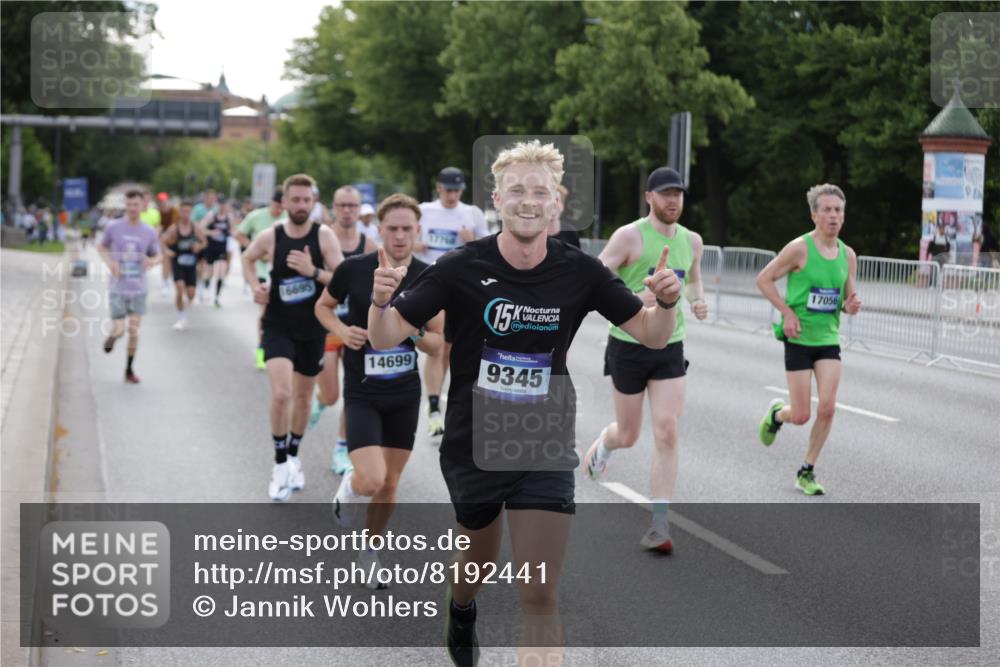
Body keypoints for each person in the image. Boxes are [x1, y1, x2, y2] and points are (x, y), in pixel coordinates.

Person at [367, 140, 681, 666]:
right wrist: (380, 302)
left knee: (539, 592)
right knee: (477, 565)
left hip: (543, 438)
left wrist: (667, 302)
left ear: (556, 202)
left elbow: (651, 333)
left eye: (540, 191)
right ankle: (461, 609)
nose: (528, 201)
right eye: (516, 190)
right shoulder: (460, 266)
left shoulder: (580, 271)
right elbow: (383, 336)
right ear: (497, 199)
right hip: (474, 439)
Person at [316, 193, 443, 582]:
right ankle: (349, 491)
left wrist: (409, 332)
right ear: (379, 229)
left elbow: (438, 344)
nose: (400, 235)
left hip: (404, 394)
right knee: (370, 479)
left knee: (389, 484)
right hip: (363, 391)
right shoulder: (355, 269)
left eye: (407, 228)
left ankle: (369, 552)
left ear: (418, 230)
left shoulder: (431, 277)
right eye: (392, 228)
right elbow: (323, 307)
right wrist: (342, 331)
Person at [584, 167, 708, 553]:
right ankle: (605, 445)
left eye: (678, 194)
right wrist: (638, 298)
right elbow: (595, 280)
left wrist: (697, 300)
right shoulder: (629, 236)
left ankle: (659, 524)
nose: (673, 200)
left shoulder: (692, 240)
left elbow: (693, 279)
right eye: (665, 193)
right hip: (629, 343)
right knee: (629, 434)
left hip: (670, 344)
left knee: (667, 429)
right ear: (649, 197)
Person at [241, 174, 344, 501]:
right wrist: (255, 287)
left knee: (302, 398)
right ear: (284, 201)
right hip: (277, 325)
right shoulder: (271, 235)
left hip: (313, 328)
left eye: (306, 200)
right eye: (295, 199)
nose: (301, 205)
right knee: (282, 393)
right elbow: (247, 257)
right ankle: (279, 463)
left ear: (313, 202)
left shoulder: (324, 236)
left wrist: (312, 272)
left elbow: (342, 280)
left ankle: (294, 455)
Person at [756, 183, 862, 496]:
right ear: (814, 215)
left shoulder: (848, 255)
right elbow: (764, 279)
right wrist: (787, 313)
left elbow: (847, 300)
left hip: (828, 339)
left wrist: (851, 305)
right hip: (799, 339)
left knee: (827, 408)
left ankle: (807, 470)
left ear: (844, 216)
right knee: (801, 415)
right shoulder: (799, 248)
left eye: (838, 210)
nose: (833, 215)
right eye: (827, 210)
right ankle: (778, 414)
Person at [416, 167, 491, 443]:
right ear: (438, 188)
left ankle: (454, 405)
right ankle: (434, 406)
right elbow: (403, 239)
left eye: (457, 190)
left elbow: (490, 248)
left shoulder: (472, 213)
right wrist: (416, 245)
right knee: (438, 348)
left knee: (454, 350)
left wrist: (472, 241)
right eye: (448, 190)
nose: (452, 195)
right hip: (433, 285)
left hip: (463, 287)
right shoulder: (424, 210)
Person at [309, 186, 379, 474]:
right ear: (333, 208)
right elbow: (321, 281)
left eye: (352, 205)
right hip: (327, 326)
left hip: (356, 328)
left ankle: (341, 449)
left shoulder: (369, 245)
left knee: (353, 393)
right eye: (342, 205)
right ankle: (318, 401)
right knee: (331, 395)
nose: (347, 211)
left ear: (359, 208)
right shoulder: (321, 239)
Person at [97, 190, 162, 384]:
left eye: (136, 205)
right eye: (129, 205)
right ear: (125, 206)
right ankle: (113, 337)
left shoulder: (148, 231)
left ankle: (129, 369)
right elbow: (101, 247)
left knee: (134, 330)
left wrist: (152, 261)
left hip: (138, 288)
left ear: (143, 206)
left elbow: (159, 255)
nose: (133, 208)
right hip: (118, 287)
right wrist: (110, 263)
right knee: (119, 330)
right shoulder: (113, 227)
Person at [236, 188, 286, 370]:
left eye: (282, 207)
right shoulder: (257, 216)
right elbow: (239, 233)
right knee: (266, 312)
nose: (279, 210)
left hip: (284, 274)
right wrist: (256, 249)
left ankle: (284, 349)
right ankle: (261, 350)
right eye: (276, 206)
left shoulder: (290, 219)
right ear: (271, 202)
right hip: (263, 271)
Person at [160, 199, 207, 330]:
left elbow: (204, 242)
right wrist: (167, 251)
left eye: (188, 211)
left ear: (191, 212)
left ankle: (185, 308)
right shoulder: (174, 229)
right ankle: (181, 316)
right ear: (179, 212)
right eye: (183, 211)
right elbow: (162, 242)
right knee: (180, 287)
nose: (185, 214)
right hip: (178, 263)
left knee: (191, 294)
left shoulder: (196, 228)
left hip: (191, 265)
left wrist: (199, 246)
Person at [200, 196, 234, 307]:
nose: (222, 206)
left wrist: (231, 237)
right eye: (220, 204)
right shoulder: (211, 216)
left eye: (224, 204)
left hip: (222, 248)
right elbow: (201, 228)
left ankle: (217, 297)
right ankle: (205, 287)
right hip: (211, 247)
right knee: (209, 271)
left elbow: (233, 231)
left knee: (221, 271)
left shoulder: (229, 217)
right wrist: (211, 232)